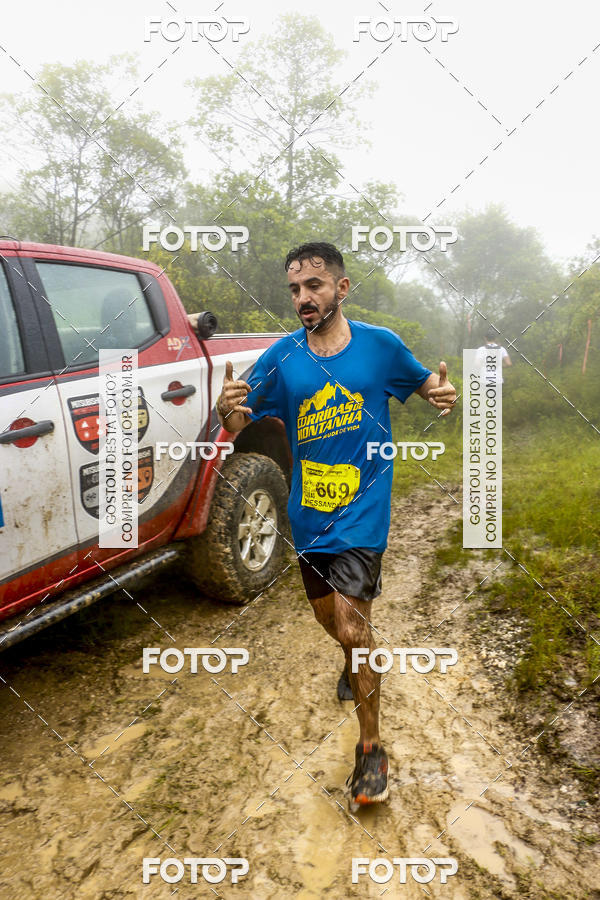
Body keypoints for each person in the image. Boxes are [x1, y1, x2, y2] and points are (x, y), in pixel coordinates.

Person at [216, 242, 456, 809]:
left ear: (341, 289)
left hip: (364, 510)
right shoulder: (281, 357)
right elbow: (236, 424)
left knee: (353, 627)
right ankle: (354, 663)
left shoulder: (380, 346)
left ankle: (371, 749)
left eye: (315, 286)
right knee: (335, 625)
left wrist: (440, 393)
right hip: (310, 515)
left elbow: (426, 386)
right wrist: (228, 406)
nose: (304, 297)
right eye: (296, 289)